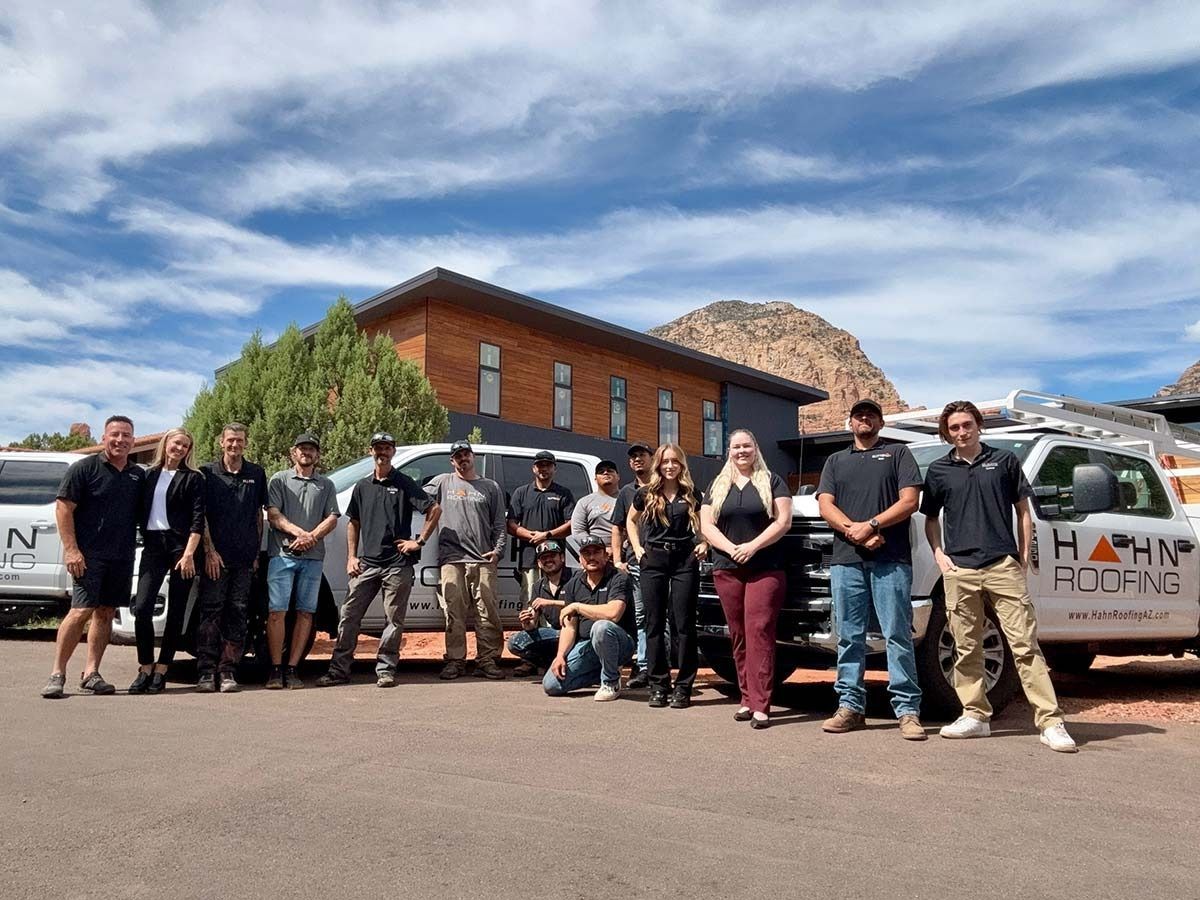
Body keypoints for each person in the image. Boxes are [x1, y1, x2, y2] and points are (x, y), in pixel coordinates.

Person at [921, 400, 1077, 752]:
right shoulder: (939, 470)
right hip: (960, 570)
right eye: (954, 428)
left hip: (1001, 565)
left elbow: (1024, 511)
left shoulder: (1004, 461)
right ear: (946, 433)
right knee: (965, 647)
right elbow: (931, 519)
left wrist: (1022, 556)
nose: (961, 432)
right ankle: (975, 716)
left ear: (978, 425)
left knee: (1024, 645)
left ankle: (1051, 722)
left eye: (967, 425)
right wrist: (939, 555)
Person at [816, 399, 927, 740]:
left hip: (890, 560)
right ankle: (850, 706)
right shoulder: (835, 461)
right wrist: (856, 531)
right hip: (846, 561)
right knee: (849, 636)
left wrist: (873, 525)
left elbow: (910, 501)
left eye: (871, 415)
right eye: (858, 415)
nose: (864, 419)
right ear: (850, 423)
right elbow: (825, 504)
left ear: (881, 422)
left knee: (897, 634)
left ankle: (907, 711)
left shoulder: (898, 454)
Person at [317, 432, 440, 688]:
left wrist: (418, 542)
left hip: (398, 565)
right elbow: (353, 522)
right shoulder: (362, 486)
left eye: (386, 448)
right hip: (368, 564)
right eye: (378, 448)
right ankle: (339, 670)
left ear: (393, 451)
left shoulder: (404, 483)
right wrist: (351, 557)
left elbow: (434, 509)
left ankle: (385, 669)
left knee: (393, 621)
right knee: (348, 615)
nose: (382, 452)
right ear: (371, 451)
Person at [41, 415, 146, 698]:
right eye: (115, 434)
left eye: (126, 435)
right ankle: (57, 673)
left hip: (121, 556)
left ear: (133, 441)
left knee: (106, 612)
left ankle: (91, 673)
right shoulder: (85, 468)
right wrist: (71, 549)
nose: (120, 440)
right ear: (104, 438)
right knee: (80, 611)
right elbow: (63, 508)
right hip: (88, 556)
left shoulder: (138, 475)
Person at [700, 429, 792, 729]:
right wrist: (731, 549)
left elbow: (783, 521)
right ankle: (747, 698)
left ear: (756, 448)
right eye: (736, 447)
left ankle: (762, 704)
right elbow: (707, 525)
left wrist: (753, 546)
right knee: (738, 634)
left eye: (746, 446)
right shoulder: (717, 485)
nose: (741, 451)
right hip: (727, 567)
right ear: (729, 451)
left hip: (765, 566)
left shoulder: (772, 481)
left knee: (759, 632)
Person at [627, 443, 707, 709]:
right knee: (654, 623)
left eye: (674, 461)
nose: (670, 466)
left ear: (681, 464)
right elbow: (630, 521)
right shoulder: (646, 493)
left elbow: (703, 524)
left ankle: (683, 686)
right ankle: (659, 685)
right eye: (665, 462)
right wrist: (637, 547)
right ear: (658, 465)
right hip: (653, 559)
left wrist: (704, 542)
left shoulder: (692, 493)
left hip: (684, 559)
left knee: (684, 624)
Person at [129, 428, 205, 695]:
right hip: (153, 545)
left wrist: (189, 553)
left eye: (185, 446)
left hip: (182, 548)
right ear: (166, 444)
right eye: (177, 443)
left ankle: (162, 669)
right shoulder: (148, 475)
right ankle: (145, 666)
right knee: (142, 608)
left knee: (176, 611)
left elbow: (198, 519)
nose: (180, 449)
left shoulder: (193, 478)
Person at [425, 440, 507, 681]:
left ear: (473, 456)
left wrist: (497, 552)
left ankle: (487, 660)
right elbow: (415, 497)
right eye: (458, 456)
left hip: (483, 559)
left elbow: (499, 524)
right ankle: (455, 661)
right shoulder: (442, 482)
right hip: (452, 559)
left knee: (487, 612)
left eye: (466, 454)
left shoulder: (490, 487)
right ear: (452, 461)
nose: (463, 458)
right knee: (454, 612)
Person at [196, 422, 268, 694]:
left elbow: (258, 517)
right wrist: (209, 551)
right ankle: (206, 671)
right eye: (230, 440)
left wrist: (255, 554)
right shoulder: (207, 473)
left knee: (238, 613)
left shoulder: (256, 473)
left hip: (245, 559)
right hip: (215, 559)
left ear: (246, 443)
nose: (235, 444)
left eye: (239, 440)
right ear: (221, 442)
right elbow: (201, 516)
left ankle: (227, 670)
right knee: (210, 613)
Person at [265, 433, 340, 689]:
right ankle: (276, 669)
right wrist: (300, 534)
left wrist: (311, 537)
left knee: (306, 613)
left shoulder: (326, 485)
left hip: (313, 558)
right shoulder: (279, 479)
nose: (307, 452)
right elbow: (273, 514)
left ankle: (293, 668)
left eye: (311, 449)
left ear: (317, 454)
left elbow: (332, 518)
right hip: (282, 555)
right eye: (302, 448)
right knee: (277, 612)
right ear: (293, 452)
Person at [543, 536, 635, 701]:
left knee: (601, 627)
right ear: (580, 559)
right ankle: (602, 672)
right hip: (587, 645)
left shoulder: (619, 577)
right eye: (587, 553)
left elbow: (614, 614)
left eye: (596, 552)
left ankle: (610, 682)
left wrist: (578, 607)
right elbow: (569, 627)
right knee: (552, 685)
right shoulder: (573, 584)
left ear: (605, 556)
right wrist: (560, 655)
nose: (591, 557)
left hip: (620, 644)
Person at [610, 441, 654, 688]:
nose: (637, 459)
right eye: (633, 456)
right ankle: (645, 667)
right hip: (636, 562)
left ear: (652, 458)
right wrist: (617, 559)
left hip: (665, 562)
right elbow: (618, 527)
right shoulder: (626, 492)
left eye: (642, 455)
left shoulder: (664, 486)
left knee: (663, 615)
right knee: (641, 615)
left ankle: (660, 666)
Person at [507, 451, 575, 605]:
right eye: (540, 465)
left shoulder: (564, 493)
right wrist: (531, 536)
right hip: (530, 559)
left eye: (548, 465)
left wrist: (547, 535)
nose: (544, 469)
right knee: (530, 601)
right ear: (534, 468)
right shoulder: (521, 492)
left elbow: (572, 524)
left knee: (557, 600)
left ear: (554, 469)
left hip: (556, 559)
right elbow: (510, 524)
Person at [506, 540, 568, 676]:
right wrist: (526, 622)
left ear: (562, 558)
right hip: (554, 634)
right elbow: (532, 625)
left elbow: (583, 605)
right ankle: (549, 663)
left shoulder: (576, 578)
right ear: (539, 563)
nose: (548, 560)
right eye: (544, 558)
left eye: (552, 556)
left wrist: (550, 603)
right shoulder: (538, 586)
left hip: (575, 633)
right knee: (515, 643)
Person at [571, 460, 620, 543]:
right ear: (595, 479)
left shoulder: (628, 498)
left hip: (626, 549)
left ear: (618, 476)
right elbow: (578, 531)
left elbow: (636, 526)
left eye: (610, 471)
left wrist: (622, 547)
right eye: (601, 472)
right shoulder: (584, 502)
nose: (605, 473)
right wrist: (595, 547)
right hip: (595, 549)